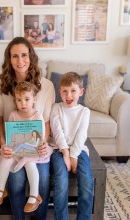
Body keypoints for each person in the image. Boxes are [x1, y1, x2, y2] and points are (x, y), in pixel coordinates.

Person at [0, 36, 55, 219]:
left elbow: (47, 122)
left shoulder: (47, 86)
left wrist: (43, 143)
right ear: (9, 60)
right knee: (16, 180)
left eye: (24, 55)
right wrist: (4, 145)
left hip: (36, 147)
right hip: (12, 148)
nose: (20, 61)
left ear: (31, 57)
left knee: (42, 179)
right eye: (15, 56)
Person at [0, 81, 52, 213]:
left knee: (30, 165)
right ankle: (1, 190)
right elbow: (11, 136)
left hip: (32, 151)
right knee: (5, 161)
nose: (23, 103)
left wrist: (39, 145)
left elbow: (40, 137)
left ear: (34, 100)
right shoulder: (13, 115)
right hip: (18, 150)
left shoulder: (37, 116)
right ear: (15, 101)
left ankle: (34, 195)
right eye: (19, 100)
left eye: (26, 99)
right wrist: (8, 147)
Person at [49, 72, 94, 220]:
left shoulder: (84, 112)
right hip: (58, 150)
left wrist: (73, 155)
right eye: (65, 91)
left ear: (81, 92)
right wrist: (66, 154)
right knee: (61, 181)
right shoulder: (56, 108)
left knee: (86, 180)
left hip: (79, 150)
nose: (69, 95)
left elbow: (81, 135)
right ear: (59, 92)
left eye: (73, 91)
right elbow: (57, 131)